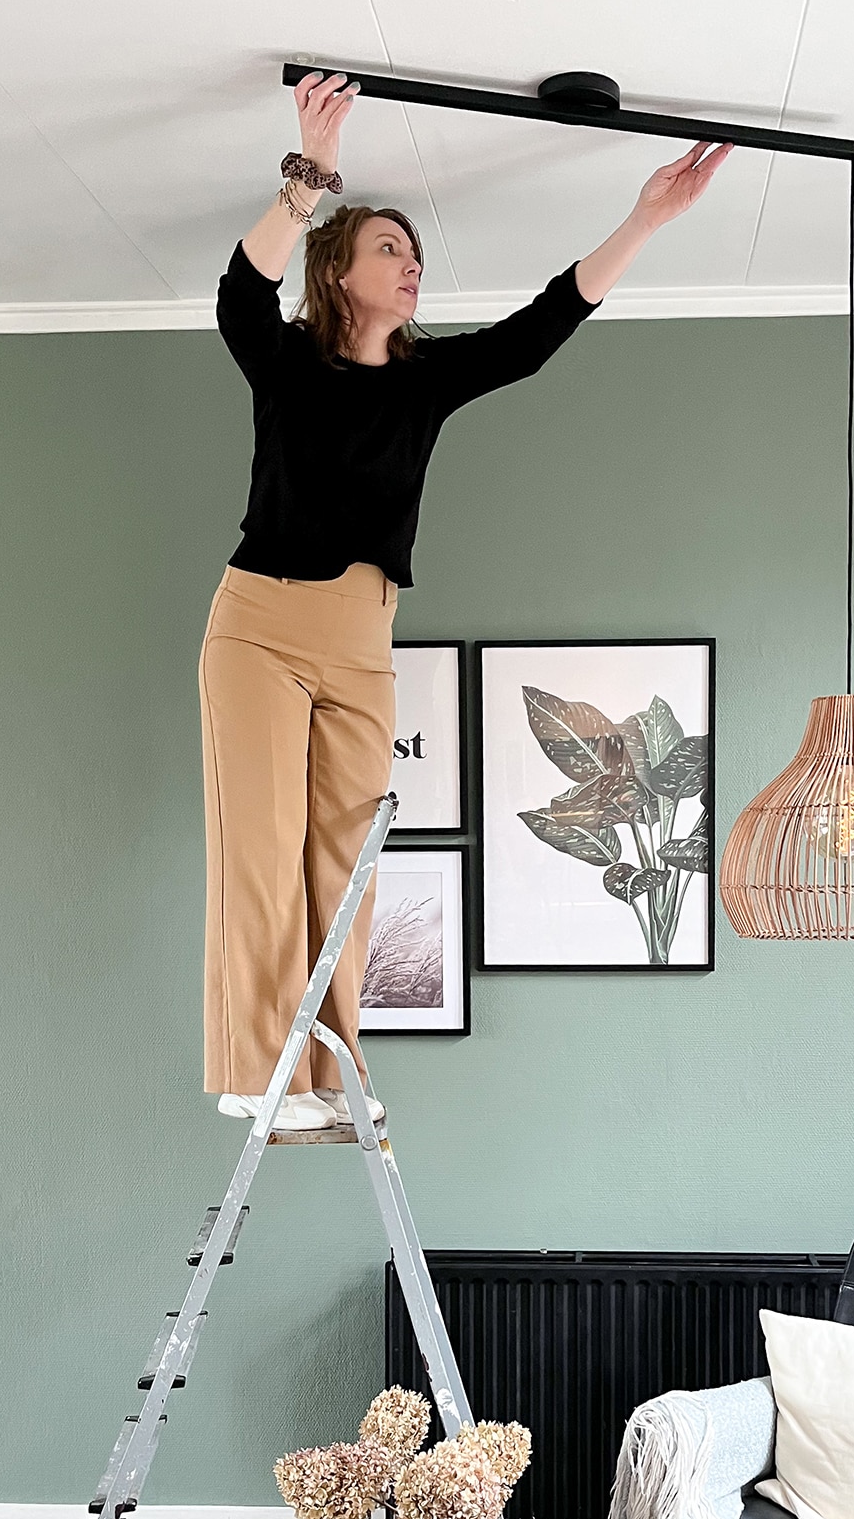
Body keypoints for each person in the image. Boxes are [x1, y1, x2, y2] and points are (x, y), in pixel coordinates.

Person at [204, 72, 731, 1130]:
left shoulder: (424, 382)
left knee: (348, 864)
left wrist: (644, 219)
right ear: (338, 271)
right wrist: (310, 174)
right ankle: (255, 1078)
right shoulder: (287, 365)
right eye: (389, 249)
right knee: (260, 850)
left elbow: (538, 331)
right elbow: (239, 295)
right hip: (261, 626)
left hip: (363, 639)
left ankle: (326, 1075)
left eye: (415, 254)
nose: (412, 265)